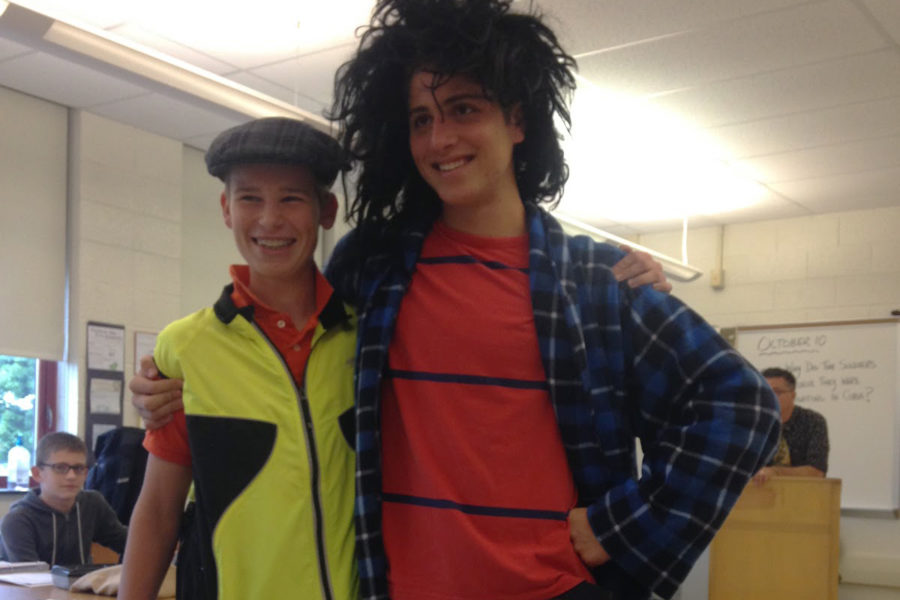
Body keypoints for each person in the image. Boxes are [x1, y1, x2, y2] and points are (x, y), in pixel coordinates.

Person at [132, 2, 779, 599]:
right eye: (420, 119)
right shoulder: (374, 267)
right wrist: (175, 375)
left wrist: (621, 526)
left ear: (517, 119)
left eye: (464, 109)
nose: (440, 139)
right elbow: (284, 328)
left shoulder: (595, 283)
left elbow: (740, 406)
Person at [117, 117, 359, 600]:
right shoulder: (186, 346)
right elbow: (160, 506)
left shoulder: (366, 337)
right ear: (227, 209)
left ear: (326, 210)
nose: (270, 219)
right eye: (250, 198)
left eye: (291, 198)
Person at [0, 432, 127, 565]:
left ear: (86, 474)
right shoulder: (17, 520)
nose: (71, 476)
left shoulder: (93, 504)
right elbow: (30, 578)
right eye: (60, 468)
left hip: (80, 584)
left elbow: (128, 542)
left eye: (78, 468)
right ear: (37, 474)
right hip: (38, 585)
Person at [753, 367, 829, 484]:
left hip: (802, 494)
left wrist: (775, 472)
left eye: (777, 392)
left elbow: (816, 472)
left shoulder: (813, 421)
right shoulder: (754, 423)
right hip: (760, 494)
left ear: (793, 395)